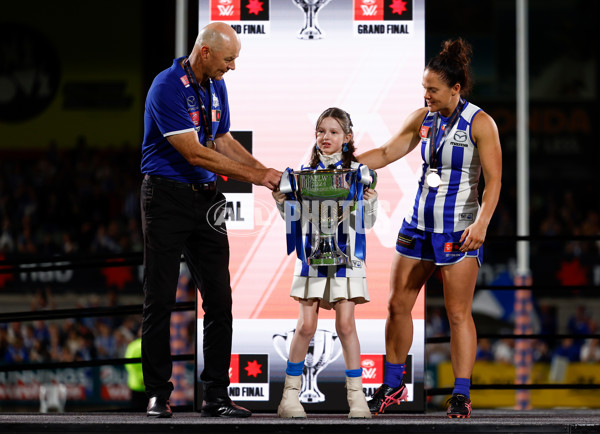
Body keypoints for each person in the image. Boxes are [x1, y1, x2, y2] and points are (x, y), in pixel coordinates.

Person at [140, 22, 282, 419]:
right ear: (205, 52)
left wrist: (267, 172)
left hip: (206, 200)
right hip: (165, 197)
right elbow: (196, 154)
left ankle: (216, 396)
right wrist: (259, 177)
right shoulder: (167, 86)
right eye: (229, 59)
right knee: (160, 299)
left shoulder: (216, 85)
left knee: (220, 299)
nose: (232, 67)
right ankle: (157, 394)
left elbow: (221, 140)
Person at [357, 38, 502, 419]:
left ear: (455, 88)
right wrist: (345, 165)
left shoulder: (481, 123)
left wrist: (482, 223)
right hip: (418, 225)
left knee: (458, 314)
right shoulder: (423, 118)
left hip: (459, 230)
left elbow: (495, 181)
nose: (426, 95)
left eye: (433, 89)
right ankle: (392, 386)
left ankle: (460, 394)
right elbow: (387, 153)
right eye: (424, 88)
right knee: (396, 304)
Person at [273, 107, 377, 419]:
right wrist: (283, 203)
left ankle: (357, 398)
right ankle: (289, 398)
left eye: (333, 132)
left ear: (347, 137)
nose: (325, 137)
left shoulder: (359, 174)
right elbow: (296, 219)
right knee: (306, 325)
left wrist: (368, 203)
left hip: (348, 255)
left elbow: (367, 224)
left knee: (346, 324)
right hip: (311, 253)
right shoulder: (303, 173)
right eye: (321, 131)